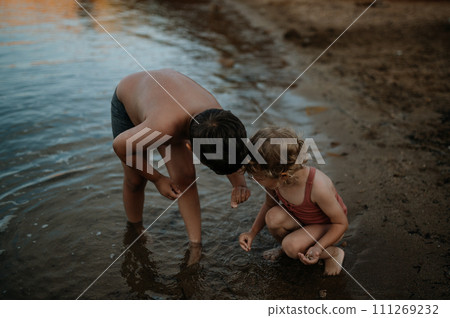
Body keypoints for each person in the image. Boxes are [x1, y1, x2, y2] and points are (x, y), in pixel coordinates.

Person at [111, 69, 251, 252]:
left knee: (185, 177)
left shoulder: (219, 119)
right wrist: (157, 179)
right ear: (189, 147)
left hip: (168, 105)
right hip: (129, 101)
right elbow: (121, 148)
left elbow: (228, 149)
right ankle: (134, 229)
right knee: (136, 180)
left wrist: (239, 183)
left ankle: (195, 247)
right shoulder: (162, 127)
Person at [239, 127, 348, 275]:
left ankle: (332, 253)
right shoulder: (276, 181)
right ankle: (291, 247)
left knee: (291, 246)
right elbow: (269, 204)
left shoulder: (317, 186)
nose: (255, 180)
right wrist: (252, 232)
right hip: (304, 221)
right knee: (272, 216)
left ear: (283, 175)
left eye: (259, 178)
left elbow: (341, 223)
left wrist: (319, 247)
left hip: (328, 227)